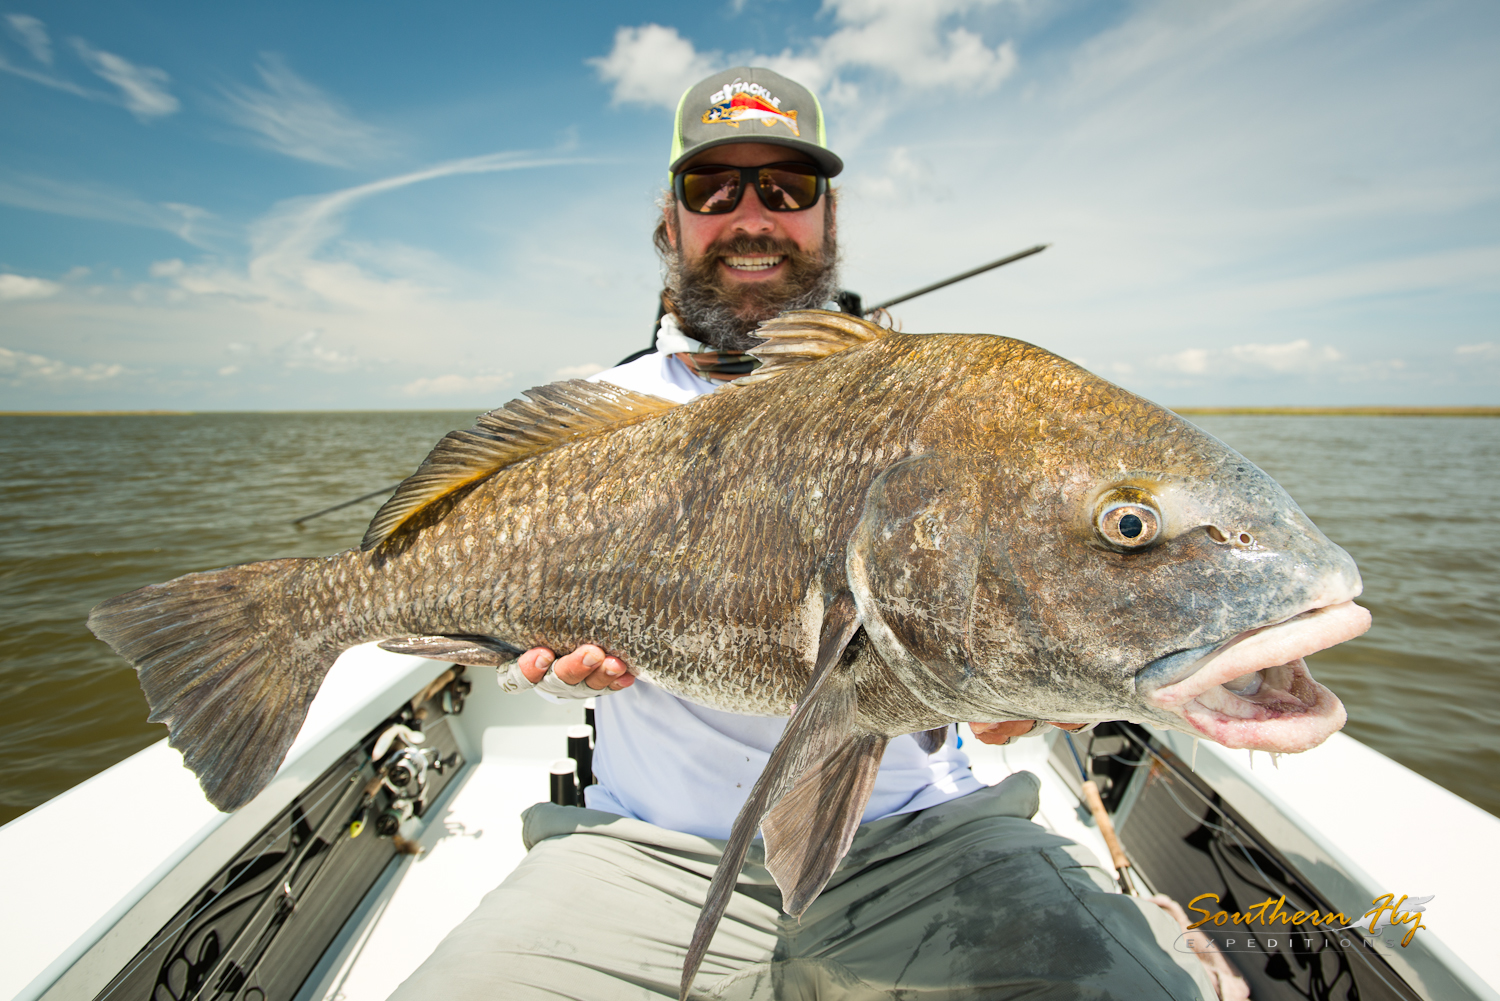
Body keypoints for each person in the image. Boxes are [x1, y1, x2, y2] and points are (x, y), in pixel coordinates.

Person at [391, 67, 1219, 1000]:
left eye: (788, 189)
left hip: (922, 838)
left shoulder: (934, 404)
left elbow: (1001, 649)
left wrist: (1035, 690)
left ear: (829, 220)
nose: (753, 216)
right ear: (670, 222)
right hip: (643, 855)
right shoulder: (602, 409)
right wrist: (524, 660)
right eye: (714, 188)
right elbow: (502, 611)